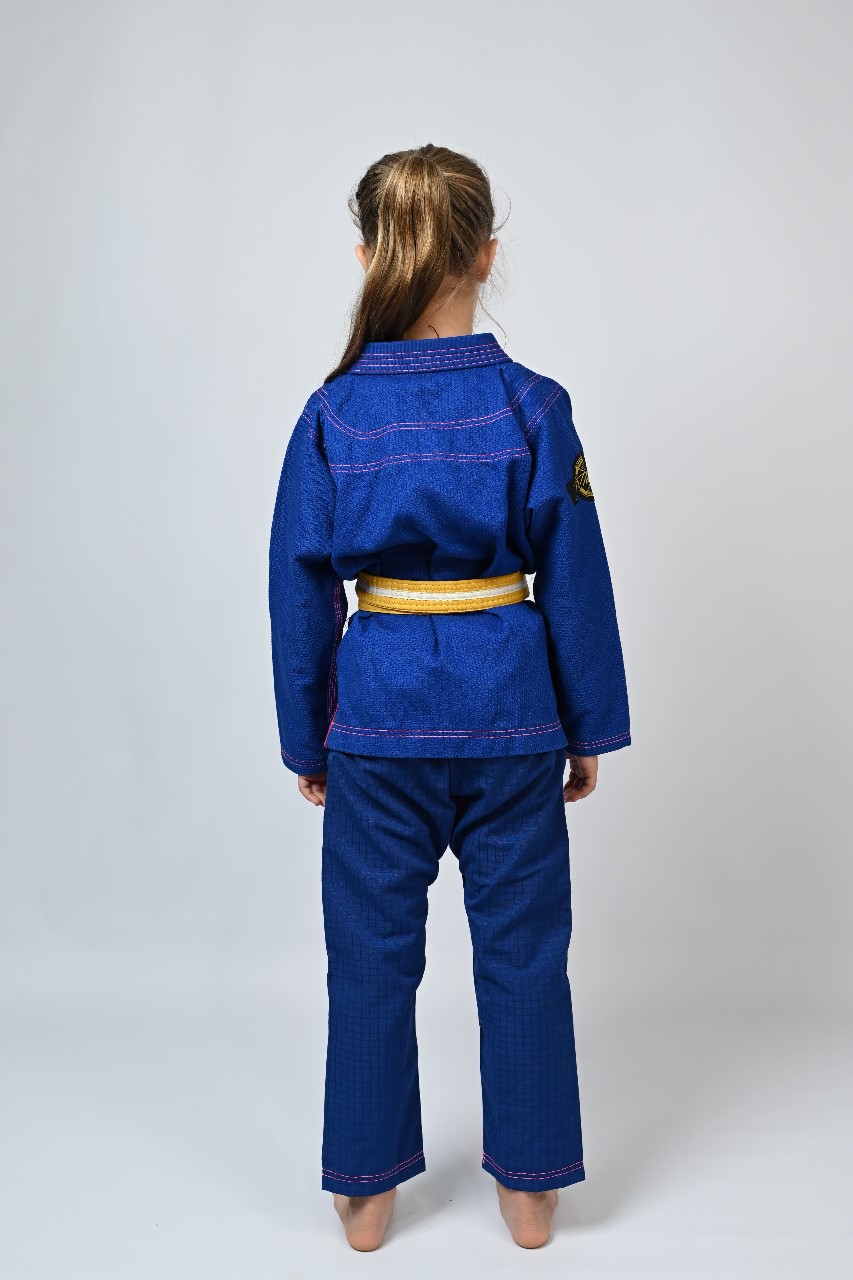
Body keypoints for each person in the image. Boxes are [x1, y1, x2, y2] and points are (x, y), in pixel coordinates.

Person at [268, 143, 631, 1251]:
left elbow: (297, 588)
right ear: (485, 254)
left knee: (369, 956)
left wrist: (309, 739)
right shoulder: (534, 406)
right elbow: (575, 576)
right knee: (523, 953)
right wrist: (585, 726)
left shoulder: (333, 413)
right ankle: (531, 1192)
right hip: (513, 711)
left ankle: (365, 1193)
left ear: (368, 256)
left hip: (376, 720)